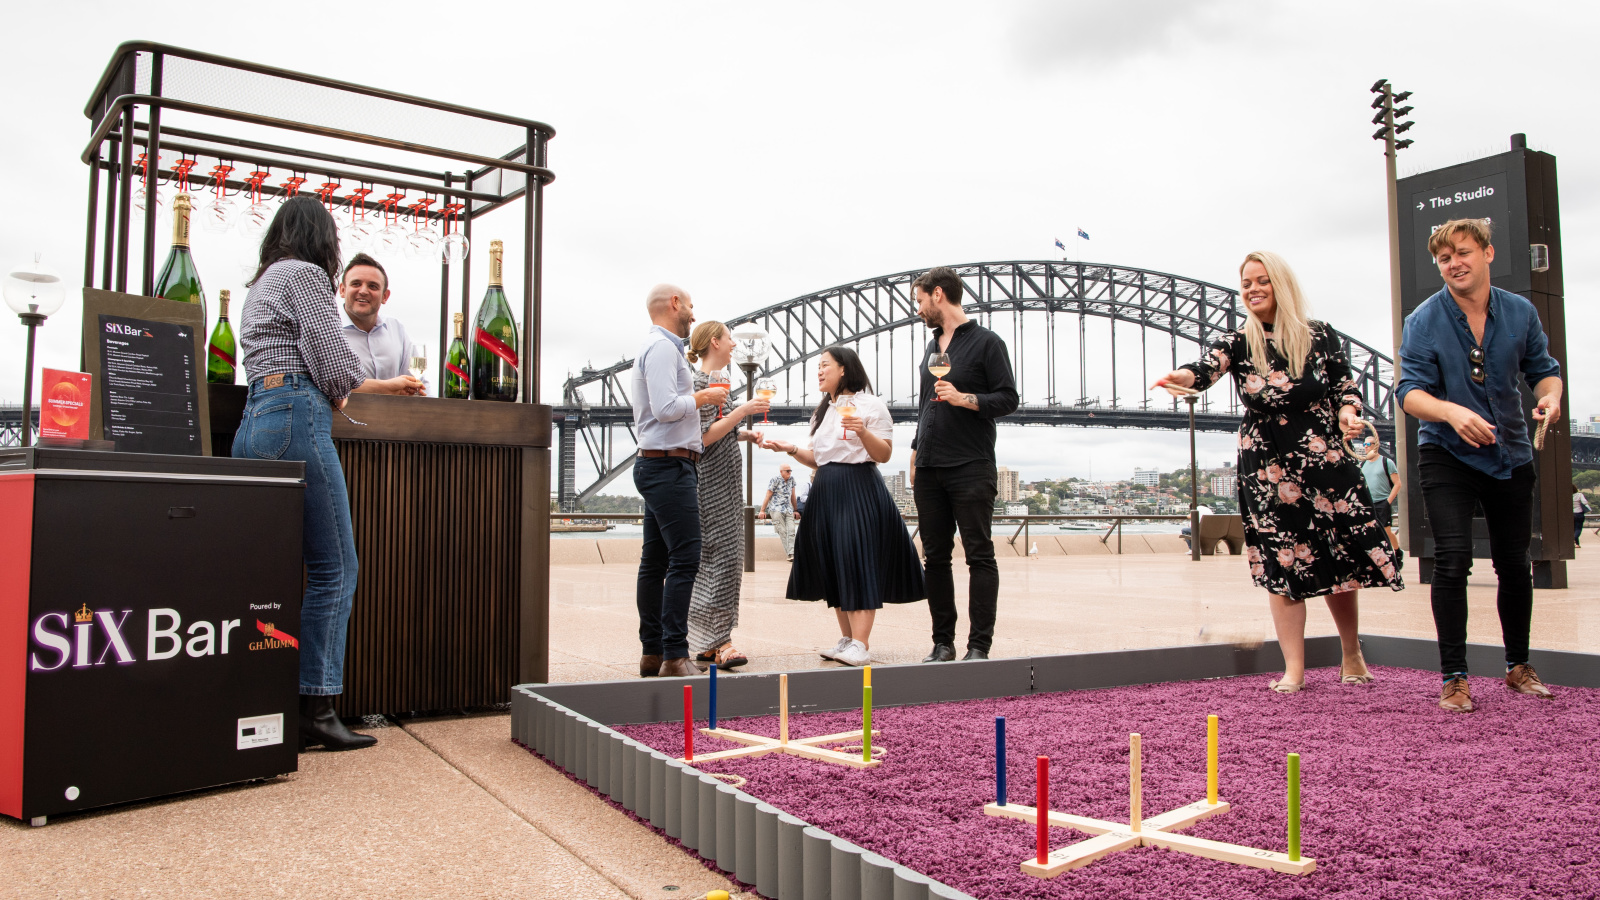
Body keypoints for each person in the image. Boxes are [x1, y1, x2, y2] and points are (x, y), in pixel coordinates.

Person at [1155, 250, 1402, 693]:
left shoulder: (1320, 336)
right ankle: (1294, 668)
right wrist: (1182, 377)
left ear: (1281, 284)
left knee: (1337, 555)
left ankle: (1351, 653)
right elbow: (1207, 367)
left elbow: (1345, 385)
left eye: (1261, 280)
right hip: (1267, 467)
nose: (1252, 289)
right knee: (1281, 558)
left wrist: (1348, 413)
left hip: (1324, 460)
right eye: (1246, 282)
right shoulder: (1238, 341)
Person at [1397, 218, 1563, 712]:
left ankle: (1517, 666)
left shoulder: (1522, 312)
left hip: (1510, 451)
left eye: (1463, 253)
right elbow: (1409, 393)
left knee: (1515, 564)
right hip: (1446, 453)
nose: (1454, 264)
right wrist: (1451, 412)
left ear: (1487, 254)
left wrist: (1549, 401)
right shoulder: (1423, 319)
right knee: (1451, 560)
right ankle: (1454, 677)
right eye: (1445, 258)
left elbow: (1545, 374)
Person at [233, 196, 375, 751]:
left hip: (254, 420)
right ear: (323, 238)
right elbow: (333, 360)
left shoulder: (262, 282)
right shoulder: (308, 275)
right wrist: (341, 388)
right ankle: (317, 707)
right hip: (296, 412)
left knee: (263, 570)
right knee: (335, 565)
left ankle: (260, 702)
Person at [759, 347, 925, 667]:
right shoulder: (824, 411)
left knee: (856, 558)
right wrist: (791, 448)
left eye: (824, 366)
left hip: (857, 487)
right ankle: (847, 639)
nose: (819, 372)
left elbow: (884, 454)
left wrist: (861, 429)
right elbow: (820, 459)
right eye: (817, 367)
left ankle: (861, 644)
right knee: (834, 564)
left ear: (844, 369)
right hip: (826, 490)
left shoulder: (870, 405)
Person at [908, 266, 1018, 663]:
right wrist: (915, 452)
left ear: (939, 294)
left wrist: (965, 398)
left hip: (971, 464)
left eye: (919, 301)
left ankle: (978, 646)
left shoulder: (988, 343)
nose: (917, 309)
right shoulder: (932, 345)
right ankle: (942, 643)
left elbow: (1008, 399)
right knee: (934, 557)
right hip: (930, 467)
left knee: (978, 555)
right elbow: (925, 405)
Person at [631, 284, 728, 678]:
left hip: (663, 464)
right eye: (689, 305)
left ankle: (653, 652)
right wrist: (703, 399)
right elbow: (666, 409)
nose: (693, 312)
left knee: (654, 563)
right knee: (685, 558)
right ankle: (674, 654)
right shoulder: (662, 349)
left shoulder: (661, 348)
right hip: (668, 467)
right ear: (675, 304)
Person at [683, 321, 769, 670]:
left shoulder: (718, 382)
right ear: (715, 341)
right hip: (713, 487)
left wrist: (743, 433)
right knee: (723, 560)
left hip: (726, 484)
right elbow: (702, 437)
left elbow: (720, 431)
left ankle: (707, 641)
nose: (734, 344)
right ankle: (720, 642)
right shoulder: (702, 383)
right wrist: (742, 411)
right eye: (730, 338)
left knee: (720, 560)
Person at [338, 253, 425, 396]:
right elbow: (327, 385)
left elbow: (417, 383)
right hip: (342, 417)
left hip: (392, 417)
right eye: (356, 284)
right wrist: (387, 387)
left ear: (385, 296)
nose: (364, 291)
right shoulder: (328, 330)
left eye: (373, 286)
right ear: (342, 290)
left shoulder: (396, 329)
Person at [1360, 446, 1403, 566]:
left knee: (1386, 531)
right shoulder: (1362, 464)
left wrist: (1388, 501)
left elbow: (1398, 483)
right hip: (1368, 502)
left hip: (1382, 501)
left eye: (1368, 444)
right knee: (1369, 531)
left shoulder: (1386, 462)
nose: (1366, 447)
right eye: (1364, 444)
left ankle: (1397, 552)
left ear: (1375, 445)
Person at [760, 464, 799, 560]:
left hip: (788, 509)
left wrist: (795, 510)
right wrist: (762, 510)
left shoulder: (792, 480)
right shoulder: (775, 480)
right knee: (782, 531)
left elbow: (793, 496)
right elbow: (768, 495)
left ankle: (792, 553)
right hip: (776, 509)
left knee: (791, 530)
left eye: (790, 470)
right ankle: (791, 554)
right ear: (781, 472)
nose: (789, 472)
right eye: (787, 471)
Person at [1575, 484, 1591, 549]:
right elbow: (1585, 502)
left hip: (1570, 514)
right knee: (1578, 528)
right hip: (1579, 513)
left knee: (1572, 529)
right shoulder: (1579, 495)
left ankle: (1577, 543)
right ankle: (1575, 539)